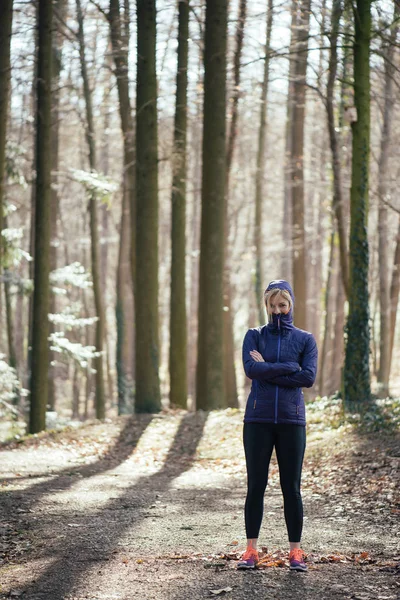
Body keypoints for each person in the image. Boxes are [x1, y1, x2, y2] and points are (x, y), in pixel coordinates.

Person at [236, 279, 318, 572]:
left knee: (291, 488)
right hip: (257, 420)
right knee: (256, 485)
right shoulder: (254, 336)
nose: (277, 311)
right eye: (272, 306)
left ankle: (295, 552)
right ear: (266, 306)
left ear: (290, 304)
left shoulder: (305, 339)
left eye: (282, 305)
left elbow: (307, 378)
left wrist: (266, 369)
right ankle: (250, 551)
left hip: (291, 421)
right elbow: (250, 370)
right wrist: (287, 367)